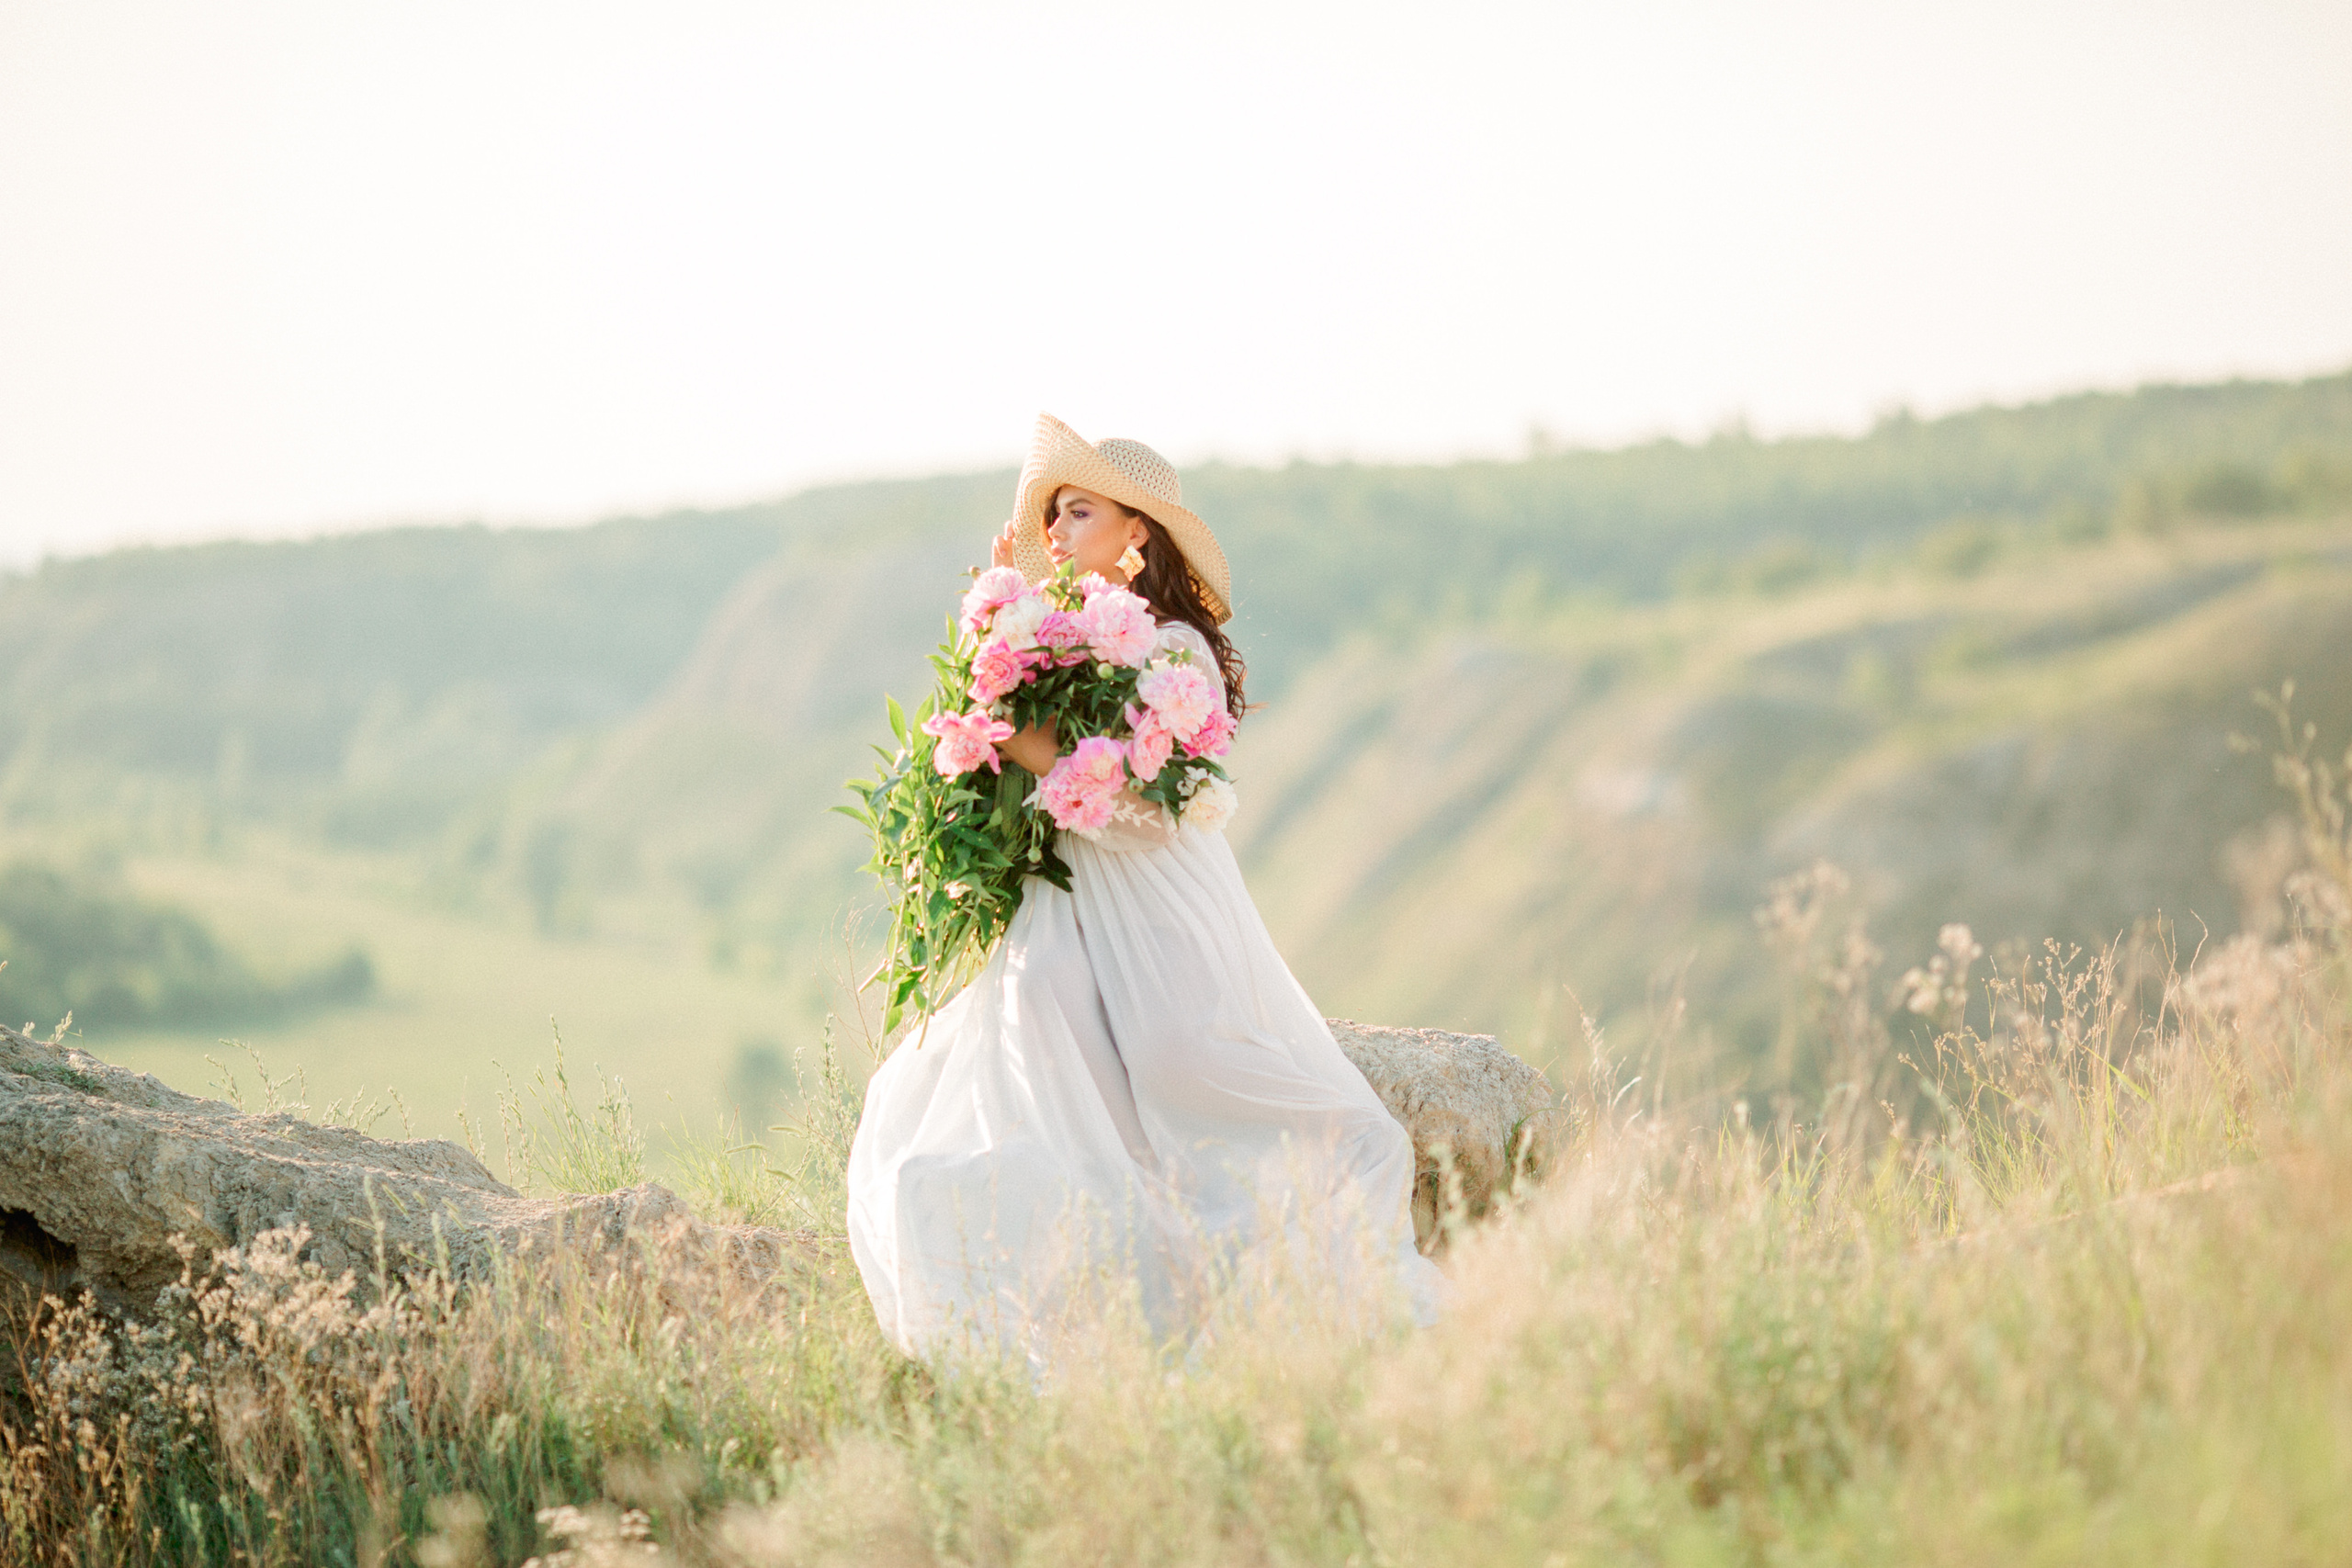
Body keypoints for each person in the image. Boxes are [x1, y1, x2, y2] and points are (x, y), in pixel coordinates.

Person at [845, 413, 1441, 1366]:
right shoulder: (1060, 633)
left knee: (1176, 1059)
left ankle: (1245, 1258)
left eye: (1078, 511)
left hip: (1157, 889)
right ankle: (1081, 1271)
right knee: (1027, 1029)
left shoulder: (1176, 650)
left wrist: (1025, 735)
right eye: (1052, 516)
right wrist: (1003, 622)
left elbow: (1141, 808)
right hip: (1073, 897)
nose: (1057, 530)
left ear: (1137, 532)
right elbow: (1008, 734)